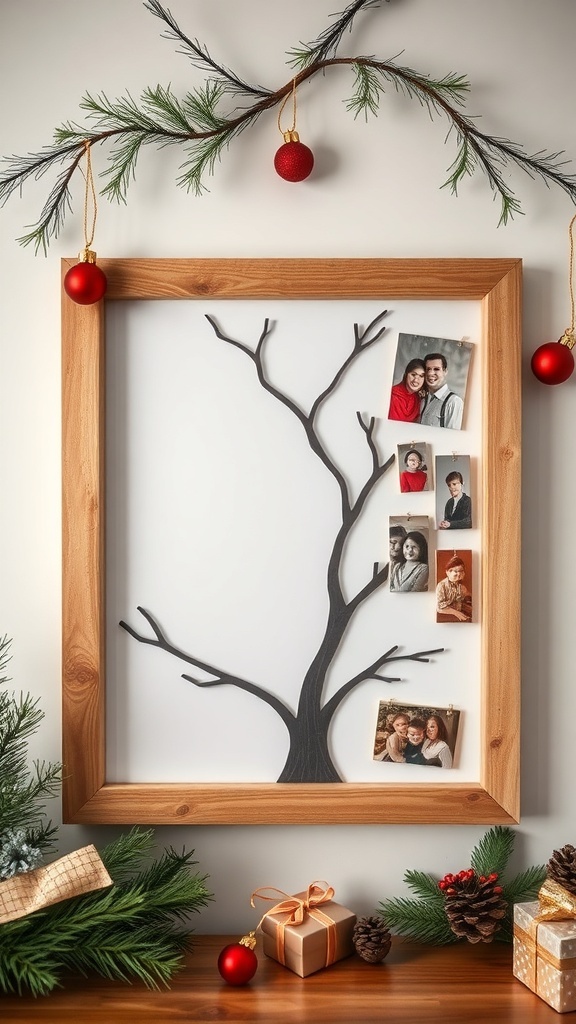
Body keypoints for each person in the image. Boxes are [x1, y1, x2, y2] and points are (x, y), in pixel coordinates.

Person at [419, 353, 464, 429]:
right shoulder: (424, 401)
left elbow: (452, 438)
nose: (430, 373)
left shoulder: (453, 402)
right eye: (428, 369)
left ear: (445, 371)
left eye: (436, 369)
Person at [388, 358, 427, 423]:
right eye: (413, 375)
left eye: (421, 376)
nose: (416, 380)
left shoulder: (418, 399)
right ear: (406, 374)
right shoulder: (391, 394)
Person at [436, 555, 472, 622]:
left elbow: (462, 601)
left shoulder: (461, 587)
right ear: (447, 572)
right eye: (455, 571)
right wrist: (456, 613)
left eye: (461, 571)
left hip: (458, 611)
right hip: (445, 614)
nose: (459, 574)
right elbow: (439, 607)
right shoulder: (441, 586)